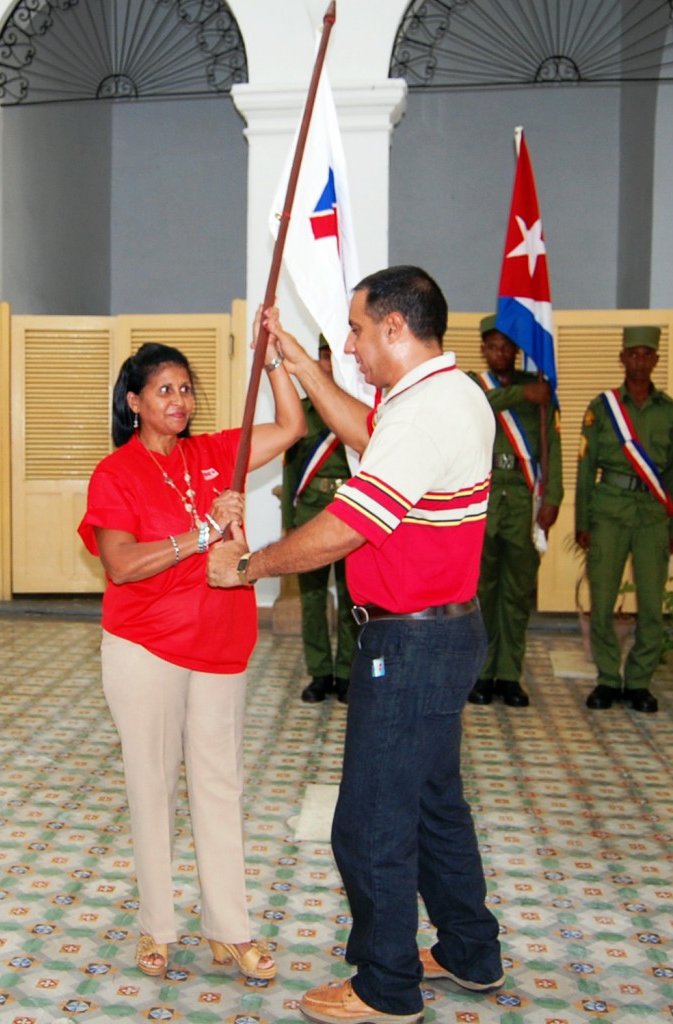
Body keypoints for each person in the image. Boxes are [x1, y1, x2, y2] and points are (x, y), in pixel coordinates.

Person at [208, 266, 505, 1024]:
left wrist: (248, 566)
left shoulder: (424, 413)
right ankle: (470, 950)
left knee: (371, 818)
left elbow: (347, 527)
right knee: (434, 804)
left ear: (395, 328)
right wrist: (299, 365)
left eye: (357, 329)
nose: (350, 345)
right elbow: (368, 436)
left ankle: (385, 985)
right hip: (442, 633)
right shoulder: (446, 393)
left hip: (408, 645)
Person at [77, 333, 305, 980]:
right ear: (135, 402)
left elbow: (291, 425)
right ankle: (156, 926)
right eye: (163, 390)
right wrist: (204, 531)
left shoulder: (212, 454)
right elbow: (122, 564)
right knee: (152, 786)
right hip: (145, 647)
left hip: (220, 645)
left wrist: (276, 358)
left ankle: (229, 929)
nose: (179, 400)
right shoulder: (116, 472)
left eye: (185, 388)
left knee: (219, 786)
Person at [576, 325, 673, 714]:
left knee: (652, 603)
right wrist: (582, 522)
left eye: (647, 355)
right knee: (603, 599)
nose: (640, 361)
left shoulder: (670, 411)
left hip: (653, 516)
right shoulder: (602, 407)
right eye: (633, 354)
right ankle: (608, 678)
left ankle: (639, 681)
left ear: (656, 359)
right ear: (622, 358)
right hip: (609, 511)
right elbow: (586, 467)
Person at [467, 315, 563, 708]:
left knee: (517, 593)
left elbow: (552, 445)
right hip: (482, 499)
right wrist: (521, 396)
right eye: (493, 346)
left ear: (517, 351)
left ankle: (509, 675)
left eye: (507, 347)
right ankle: (482, 673)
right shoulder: (472, 385)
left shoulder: (538, 386)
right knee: (482, 593)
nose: (500, 353)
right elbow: (475, 409)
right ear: (483, 350)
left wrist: (553, 499)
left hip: (524, 500)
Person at [281, 334, 358, 704]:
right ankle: (320, 673)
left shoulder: (357, 407)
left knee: (351, 598)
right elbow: (290, 470)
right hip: (311, 512)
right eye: (323, 356)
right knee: (312, 600)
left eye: (334, 356)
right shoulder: (301, 411)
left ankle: (346, 673)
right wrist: (289, 521)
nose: (329, 364)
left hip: (350, 512)